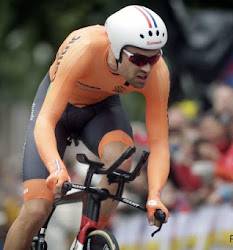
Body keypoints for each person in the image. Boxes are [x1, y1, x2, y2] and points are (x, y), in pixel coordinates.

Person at [4, 5, 170, 249]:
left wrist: (155, 195)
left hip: (100, 111)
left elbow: (159, 143)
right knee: (37, 209)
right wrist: (56, 168)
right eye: (138, 59)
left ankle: (86, 239)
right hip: (57, 112)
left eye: (154, 57)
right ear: (116, 50)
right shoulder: (85, 48)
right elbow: (46, 120)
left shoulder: (157, 74)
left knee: (122, 160)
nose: (147, 67)